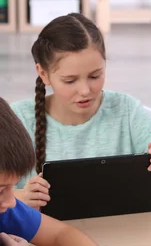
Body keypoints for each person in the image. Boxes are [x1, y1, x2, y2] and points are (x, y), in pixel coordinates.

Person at [12, 13, 151, 209]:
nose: (85, 90)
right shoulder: (18, 120)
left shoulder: (126, 111)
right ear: (43, 74)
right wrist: (18, 198)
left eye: (95, 76)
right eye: (70, 81)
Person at [0, 97, 96, 245]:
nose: (12, 202)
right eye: (1, 190)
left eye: (12, 186)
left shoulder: (5, 211)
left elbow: (61, 234)